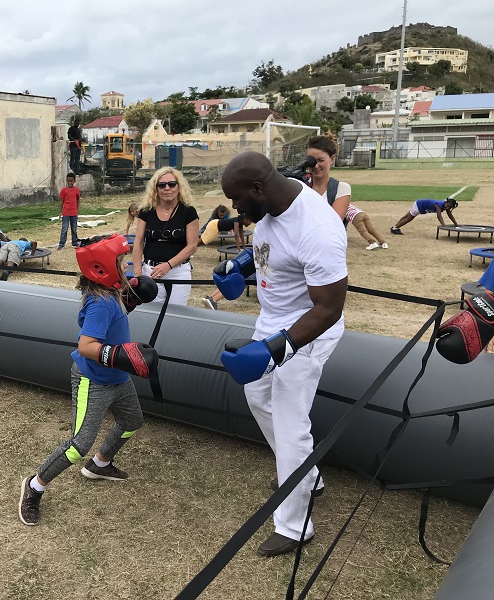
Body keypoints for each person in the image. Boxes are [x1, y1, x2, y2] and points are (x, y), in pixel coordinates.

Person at [216, 151, 347, 557]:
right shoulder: (270, 208)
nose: (235, 209)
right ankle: (309, 476)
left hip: (309, 330)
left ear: (258, 189)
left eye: (237, 200)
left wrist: (276, 349)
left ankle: (294, 525)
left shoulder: (318, 228)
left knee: (291, 424)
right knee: (257, 396)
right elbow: (275, 253)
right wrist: (241, 267)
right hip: (271, 321)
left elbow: (329, 309)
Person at [18, 234, 159, 526]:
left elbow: (113, 324)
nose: (126, 266)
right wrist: (121, 355)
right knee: (78, 445)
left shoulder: (112, 292)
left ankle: (100, 464)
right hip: (92, 380)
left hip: (118, 379)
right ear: (102, 268)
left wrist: (130, 300)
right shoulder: (100, 303)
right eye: (120, 261)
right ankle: (34, 486)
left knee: (132, 421)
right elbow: (86, 346)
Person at [131, 167, 200, 306]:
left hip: (178, 271)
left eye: (172, 184)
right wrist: (138, 274)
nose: (167, 188)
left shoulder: (188, 212)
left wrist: (168, 265)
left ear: (179, 187)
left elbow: (192, 245)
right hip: (151, 271)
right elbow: (138, 242)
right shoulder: (147, 211)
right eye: (162, 185)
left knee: (176, 313)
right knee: (152, 312)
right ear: (156, 189)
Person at [306, 136, 350, 223]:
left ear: (332, 159)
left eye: (320, 160)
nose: (316, 165)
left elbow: (333, 223)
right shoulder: (300, 185)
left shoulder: (340, 188)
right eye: (311, 161)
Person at [390, 198, 459, 234]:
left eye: (450, 207)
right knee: (409, 218)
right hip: (419, 206)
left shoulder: (445, 205)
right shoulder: (438, 205)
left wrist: (456, 224)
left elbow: (450, 215)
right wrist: (443, 225)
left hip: (419, 204)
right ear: (447, 202)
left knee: (406, 216)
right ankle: (395, 228)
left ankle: (395, 227)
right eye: (448, 206)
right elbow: (439, 216)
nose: (447, 208)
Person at [58, 173, 81, 250]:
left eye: (71, 181)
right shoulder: (64, 190)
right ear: (66, 181)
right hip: (66, 213)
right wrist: (60, 212)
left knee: (74, 229)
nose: (70, 183)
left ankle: (74, 242)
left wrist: (77, 209)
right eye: (68, 181)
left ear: (74, 181)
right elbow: (61, 201)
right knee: (64, 229)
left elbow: (78, 199)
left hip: (74, 213)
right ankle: (61, 243)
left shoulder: (76, 190)